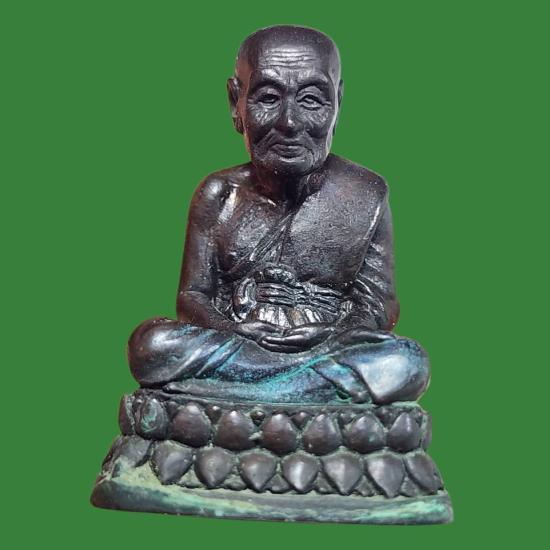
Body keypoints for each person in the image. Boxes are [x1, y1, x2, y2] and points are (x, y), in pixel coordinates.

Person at [127, 25, 429, 405]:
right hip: (243, 341)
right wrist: (233, 330)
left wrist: (334, 333)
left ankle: (244, 393)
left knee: (406, 361)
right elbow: (193, 296)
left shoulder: (365, 193)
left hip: (326, 345)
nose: (289, 122)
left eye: (311, 100)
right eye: (268, 98)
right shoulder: (218, 193)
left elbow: (378, 303)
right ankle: (307, 391)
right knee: (151, 344)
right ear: (236, 103)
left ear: (338, 103)